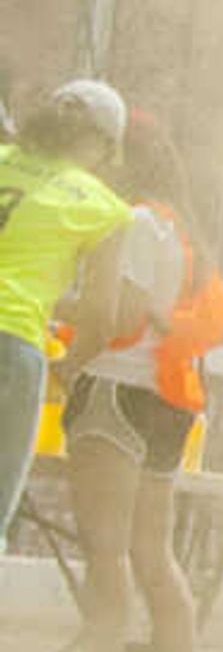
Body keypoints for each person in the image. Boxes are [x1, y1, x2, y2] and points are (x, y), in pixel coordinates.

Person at [55, 113, 223, 652]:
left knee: (106, 553)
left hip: (113, 392)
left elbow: (118, 314)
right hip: (165, 401)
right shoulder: (181, 231)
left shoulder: (129, 224)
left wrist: (58, 319)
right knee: (154, 555)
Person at [0, 83, 139, 560]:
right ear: (101, 145)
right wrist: (67, 367)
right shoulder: (103, 209)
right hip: (12, 347)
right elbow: (101, 319)